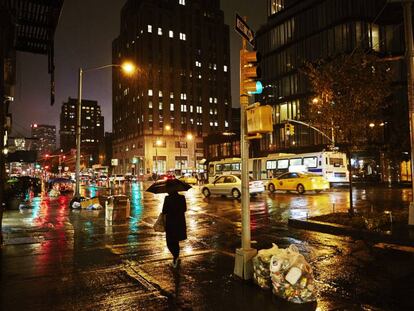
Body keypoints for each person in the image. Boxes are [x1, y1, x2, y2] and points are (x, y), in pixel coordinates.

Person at [162, 190, 187, 268]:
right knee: (176, 240)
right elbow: (184, 209)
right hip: (180, 222)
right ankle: (176, 257)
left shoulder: (167, 198)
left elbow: (164, 211)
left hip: (170, 222)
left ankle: (175, 257)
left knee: (170, 242)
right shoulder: (182, 197)